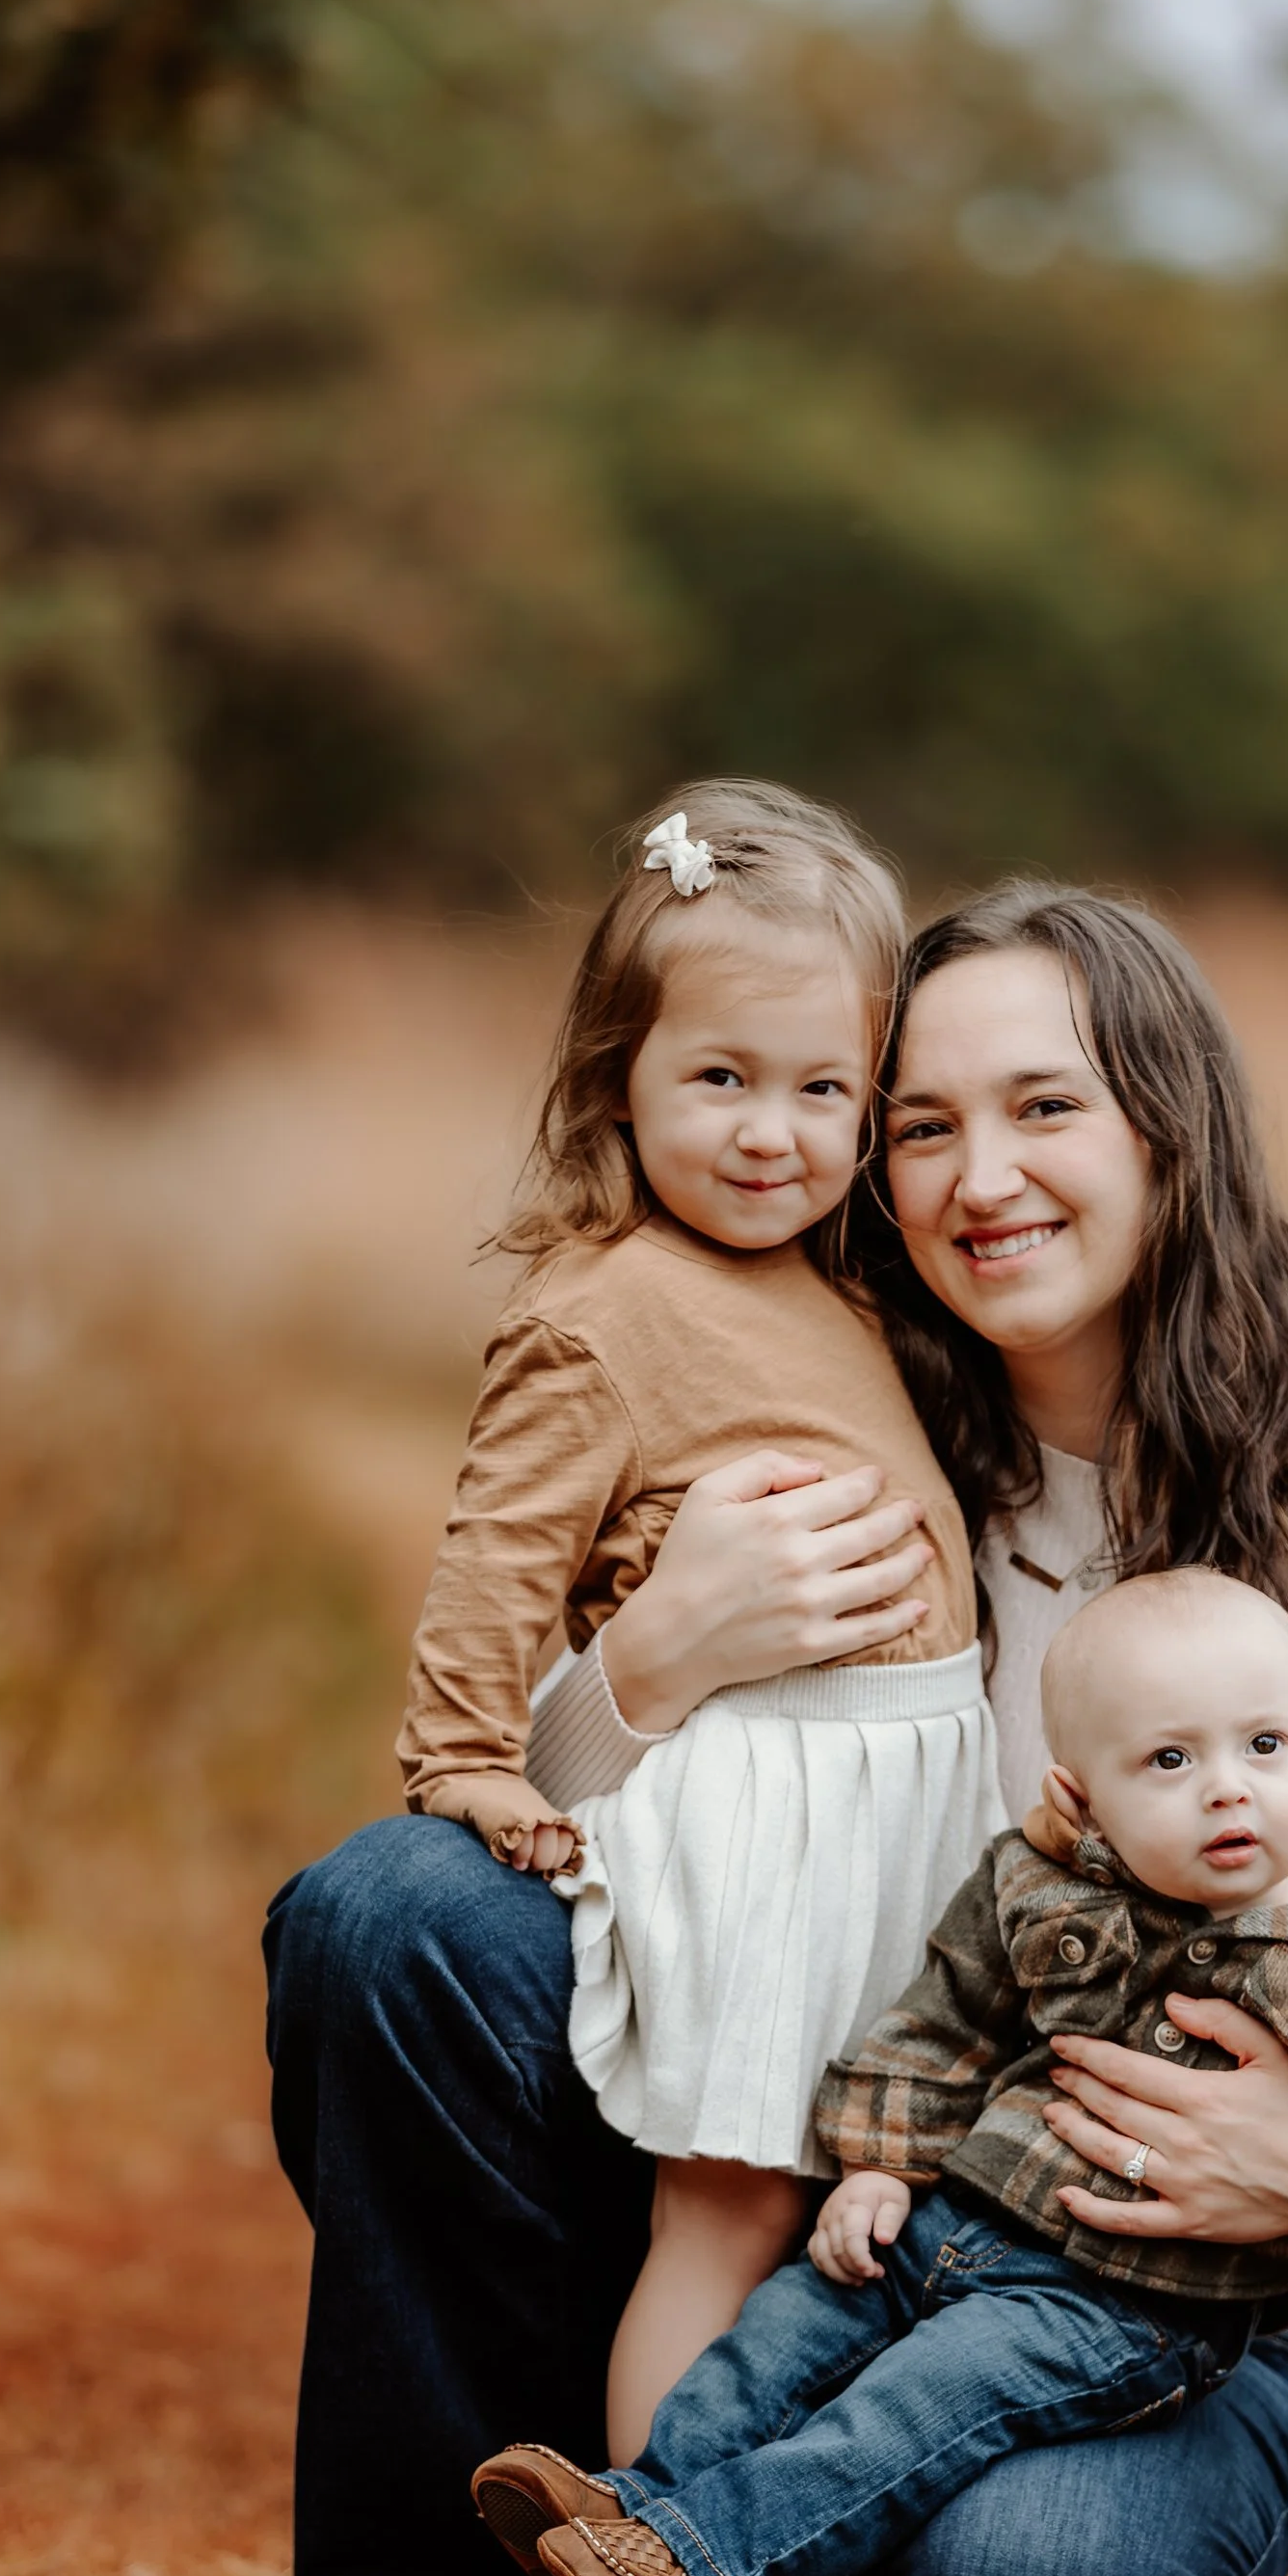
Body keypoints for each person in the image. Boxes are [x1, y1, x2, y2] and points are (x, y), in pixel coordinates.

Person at [264, 873, 1288, 2576]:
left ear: (1170, 1134)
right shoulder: (846, 1437)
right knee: (393, 1919)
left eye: (1046, 1109)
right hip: (767, 2172)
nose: (980, 1178)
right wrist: (650, 1661)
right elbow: (568, 1826)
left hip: (1134, 2295)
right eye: (924, 1124)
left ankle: (768, 2544)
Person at [467, 1570, 1288, 2576]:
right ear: (1080, 1794)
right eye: (1170, 1760)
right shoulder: (1038, 1887)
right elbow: (941, 2024)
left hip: (1123, 2306)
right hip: (947, 2228)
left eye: (1265, 1747)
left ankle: (702, 2571)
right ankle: (631, 2511)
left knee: (914, 2405)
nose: (1227, 1789)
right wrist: (880, 2167)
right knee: (778, 2339)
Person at [395, 780, 999, 2463]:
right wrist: (464, 1762)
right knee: (727, 2218)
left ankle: (770, 2556)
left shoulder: (853, 1285)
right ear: (621, 1077)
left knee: (858, 2212)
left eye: (825, 1091)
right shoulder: (605, 1308)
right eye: (720, 1078)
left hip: (903, 1808)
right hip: (770, 1806)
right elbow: (495, 1561)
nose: (772, 1134)